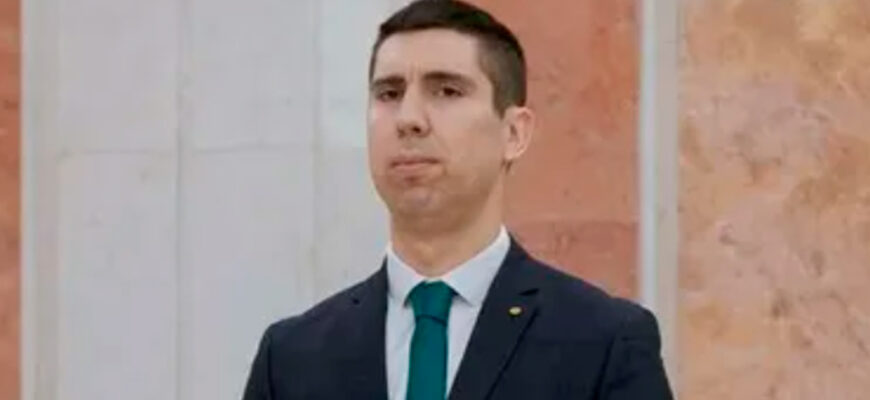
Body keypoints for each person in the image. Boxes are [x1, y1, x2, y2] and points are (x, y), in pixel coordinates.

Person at [243, 1, 673, 399]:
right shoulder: (291, 358)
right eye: (389, 93)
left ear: (514, 133)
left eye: (446, 91)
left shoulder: (603, 343)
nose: (409, 119)